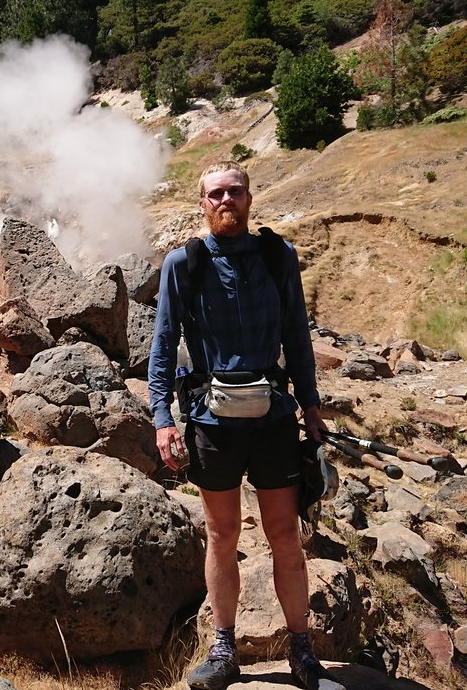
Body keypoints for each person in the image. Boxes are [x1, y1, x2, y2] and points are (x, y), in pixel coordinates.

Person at [148, 161, 344, 690]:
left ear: (250, 197)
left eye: (234, 191)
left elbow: (297, 336)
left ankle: (301, 651)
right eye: (215, 194)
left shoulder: (278, 257)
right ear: (203, 204)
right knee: (221, 533)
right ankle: (223, 648)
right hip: (211, 421)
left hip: (274, 417)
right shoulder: (181, 265)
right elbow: (163, 344)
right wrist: (162, 417)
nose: (226, 200)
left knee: (285, 534)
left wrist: (310, 406)